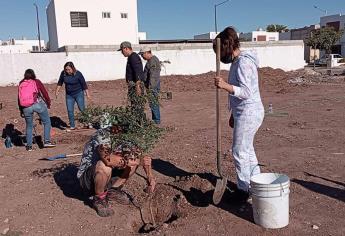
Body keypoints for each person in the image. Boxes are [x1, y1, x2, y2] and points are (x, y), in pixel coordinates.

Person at [213, 27, 264, 201]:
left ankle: (243, 190)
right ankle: (256, 185)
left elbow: (246, 92)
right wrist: (233, 115)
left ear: (227, 47)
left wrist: (224, 85)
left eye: (219, 52)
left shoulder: (243, 62)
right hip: (244, 112)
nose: (219, 57)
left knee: (239, 150)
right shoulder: (237, 62)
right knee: (247, 150)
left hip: (249, 112)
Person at [77, 124, 156, 217]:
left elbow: (140, 154)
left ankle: (112, 191)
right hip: (88, 180)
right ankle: (99, 199)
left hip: (109, 174)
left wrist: (149, 176)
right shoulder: (102, 135)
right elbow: (108, 159)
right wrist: (136, 161)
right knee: (105, 166)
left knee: (133, 162)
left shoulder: (127, 135)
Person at [18, 69, 56, 151]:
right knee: (47, 122)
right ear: (33, 74)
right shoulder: (36, 81)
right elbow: (44, 92)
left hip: (25, 107)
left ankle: (29, 146)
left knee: (29, 126)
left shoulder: (21, 83)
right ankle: (46, 142)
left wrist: (21, 110)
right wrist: (48, 102)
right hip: (37, 105)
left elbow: (19, 97)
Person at [55, 62, 91, 130]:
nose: (67, 71)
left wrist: (87, 94)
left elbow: (84, 84)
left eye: (69, 69)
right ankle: (72, 125)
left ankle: (88, 122)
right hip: (69, 95)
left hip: (78, 93)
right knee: (70, 110)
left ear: (72, 68)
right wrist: (57, 91)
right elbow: (60, 82)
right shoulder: (63, 73)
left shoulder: (78, 74)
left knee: (81, 108)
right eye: (66, 69)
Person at [118, 41, 145, 114]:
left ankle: (139, 123)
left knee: (137, 105)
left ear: (126, 48)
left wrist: (138, 86)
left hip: (136, 86)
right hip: (133, 86)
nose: (122, 53)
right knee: (135, 105)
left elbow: (138, 72)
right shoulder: (131, 57)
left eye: (122, 50)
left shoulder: (133, 57)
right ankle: (137, 122)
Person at [139, 47, 161, 124]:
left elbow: (153, 76)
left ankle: (156, 121)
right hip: (152, 85)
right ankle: (155, 120)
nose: (142, 56)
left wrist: (151, 87)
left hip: (153, 86)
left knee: (153, 103)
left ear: (146, 53)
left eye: (142, 54)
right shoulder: (150, 60)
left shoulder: (153, 61)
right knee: (152, 103)